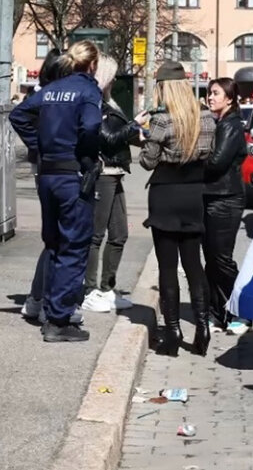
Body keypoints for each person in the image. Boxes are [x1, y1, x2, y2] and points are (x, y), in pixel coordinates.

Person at [10, 41, 102, 342]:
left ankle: (50, 308)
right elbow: (90, 127)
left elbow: (18, 115)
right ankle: (59, 320)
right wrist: (86, 153)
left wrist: (39, 146)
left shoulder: (51, 90)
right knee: (74, 246)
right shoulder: (88, 90)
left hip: (48, 175)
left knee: (53, 243)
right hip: (71, 175)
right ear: (92, 64)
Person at [139, 61, 216, 357]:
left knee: (168, 267)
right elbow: (209, 154)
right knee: (194, 265)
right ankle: (202, 326)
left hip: (166, 194)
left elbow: (147, 161)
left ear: (163, 88)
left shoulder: (161, 121)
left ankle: (172, 332)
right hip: (194, 193)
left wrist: (144, 136)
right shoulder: (206, 117)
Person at [17, 48, 86, 327]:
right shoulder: (52, 96)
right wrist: (41, 146)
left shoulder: (49, 95)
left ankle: (41, 301)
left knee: (55, 242)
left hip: (50, 169)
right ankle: (49, 303)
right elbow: (22, 118)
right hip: (58, 171)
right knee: (61, 242)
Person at [82, 55, 141, 313]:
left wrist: (137, 132)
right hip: (103, 173)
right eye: (113, 74)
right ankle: (89, 289)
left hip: (115, 172)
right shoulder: (94, 102)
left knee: (119, 234)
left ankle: (107, 288)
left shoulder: (108, 101)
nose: (116, 79)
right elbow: (106, 138)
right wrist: (134, 126)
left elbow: (118, 135)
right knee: (96, 234)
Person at [202, 78, 249, 335]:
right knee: (210, 258)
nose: (210, 97)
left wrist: (193, 161)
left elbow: (217, 162)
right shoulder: (220, 123)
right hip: (212, 196)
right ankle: (217, 312)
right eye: (209, 93)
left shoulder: (230, 125)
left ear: (229, 99)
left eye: (216, 93)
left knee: (221, 259)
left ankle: (242, 312)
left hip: (226, 199)